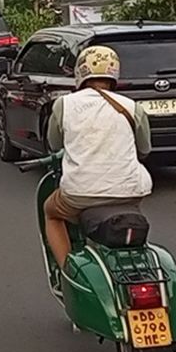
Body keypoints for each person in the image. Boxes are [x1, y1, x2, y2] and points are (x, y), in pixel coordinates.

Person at [43, 45, 152, 271]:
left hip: (79, 194)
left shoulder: (64, 104)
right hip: (131, 192)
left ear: (80, 73)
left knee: (51, 212)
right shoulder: (132, 107)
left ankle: (68, 273)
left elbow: (54, 144)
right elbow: (145, 149)